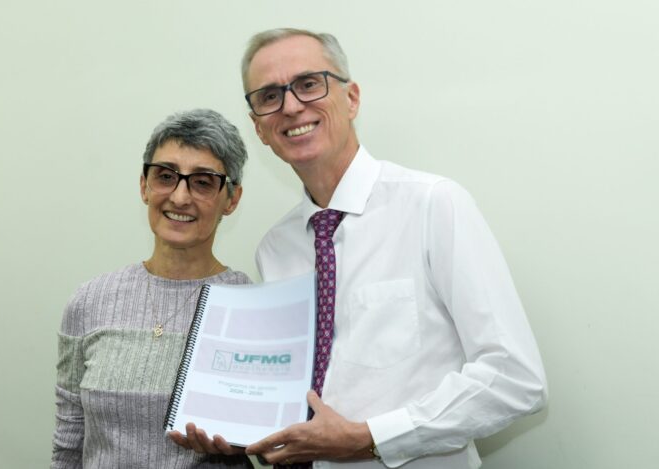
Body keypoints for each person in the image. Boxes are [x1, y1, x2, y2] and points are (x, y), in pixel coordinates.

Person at [175, 28, 548, 468]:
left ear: (351, 98)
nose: (291, 106)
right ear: (259, 127)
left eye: (309, 84)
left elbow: (515, 377)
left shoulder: (434, 205)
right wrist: (239, 430)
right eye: (269, 96)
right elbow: (290, 391)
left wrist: (371, 438)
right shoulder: (274, 248)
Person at [51, 109, 253, 469]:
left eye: (203, 182)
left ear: (232, 199)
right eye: (166, 176)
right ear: (144, 185)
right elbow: (68, 444)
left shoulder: (251, 307)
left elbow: (267, 439)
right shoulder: (89, 302)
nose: (180, 197)